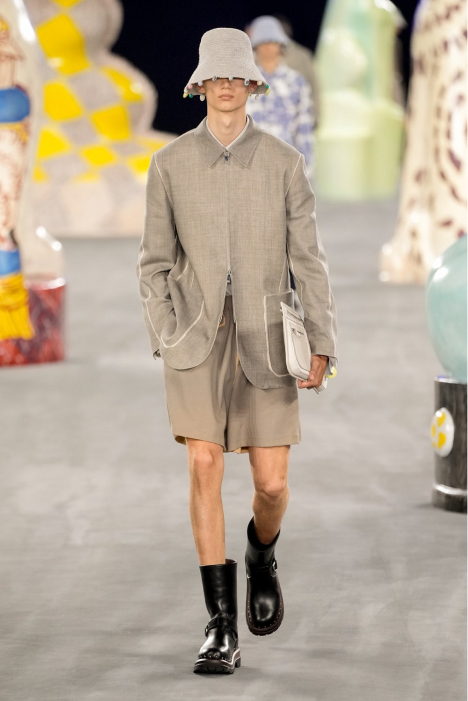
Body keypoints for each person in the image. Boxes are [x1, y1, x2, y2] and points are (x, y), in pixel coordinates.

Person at [137, 27, 337, 675]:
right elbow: (153, 262)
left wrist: (322, 338)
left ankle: (261, 553)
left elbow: (309, 259)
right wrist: (166, 330)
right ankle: (220, 624)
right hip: (195, 337)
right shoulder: (170, 164)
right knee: (203, 465)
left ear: (252, 84)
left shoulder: (283, 163)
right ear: (200, 86)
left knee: (271, 485)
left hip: (267, 338)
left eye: (236, 76)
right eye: (215, 76)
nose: (226, 86)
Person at [245, 16, 315, 177]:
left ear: (281, 44)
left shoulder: (296, 82)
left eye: (272, 40)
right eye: (262, 41)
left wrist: (308, 167)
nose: (267, 46)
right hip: (250, 164)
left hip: (286, 163)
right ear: (255, 45)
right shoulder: (243, 83)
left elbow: (304, 126)